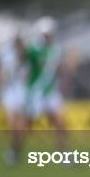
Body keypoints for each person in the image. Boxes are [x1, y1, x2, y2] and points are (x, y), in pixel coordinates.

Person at [24, 16, 67, 148]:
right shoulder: (34, 49)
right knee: (27, 125)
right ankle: (14, 152)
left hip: (50, 91)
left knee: (60, 124)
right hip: (36, 91)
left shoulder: (56, 50)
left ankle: (64, 155)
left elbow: (58, 70)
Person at [0, 34, 27, 164]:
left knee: (22, 127)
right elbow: (1, 74)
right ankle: (14, 151)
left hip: (22, 92)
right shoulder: (7, 57)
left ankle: (15, 151)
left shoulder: (27, 58)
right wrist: (2, 81)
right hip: (9, 93)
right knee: (14, 124)